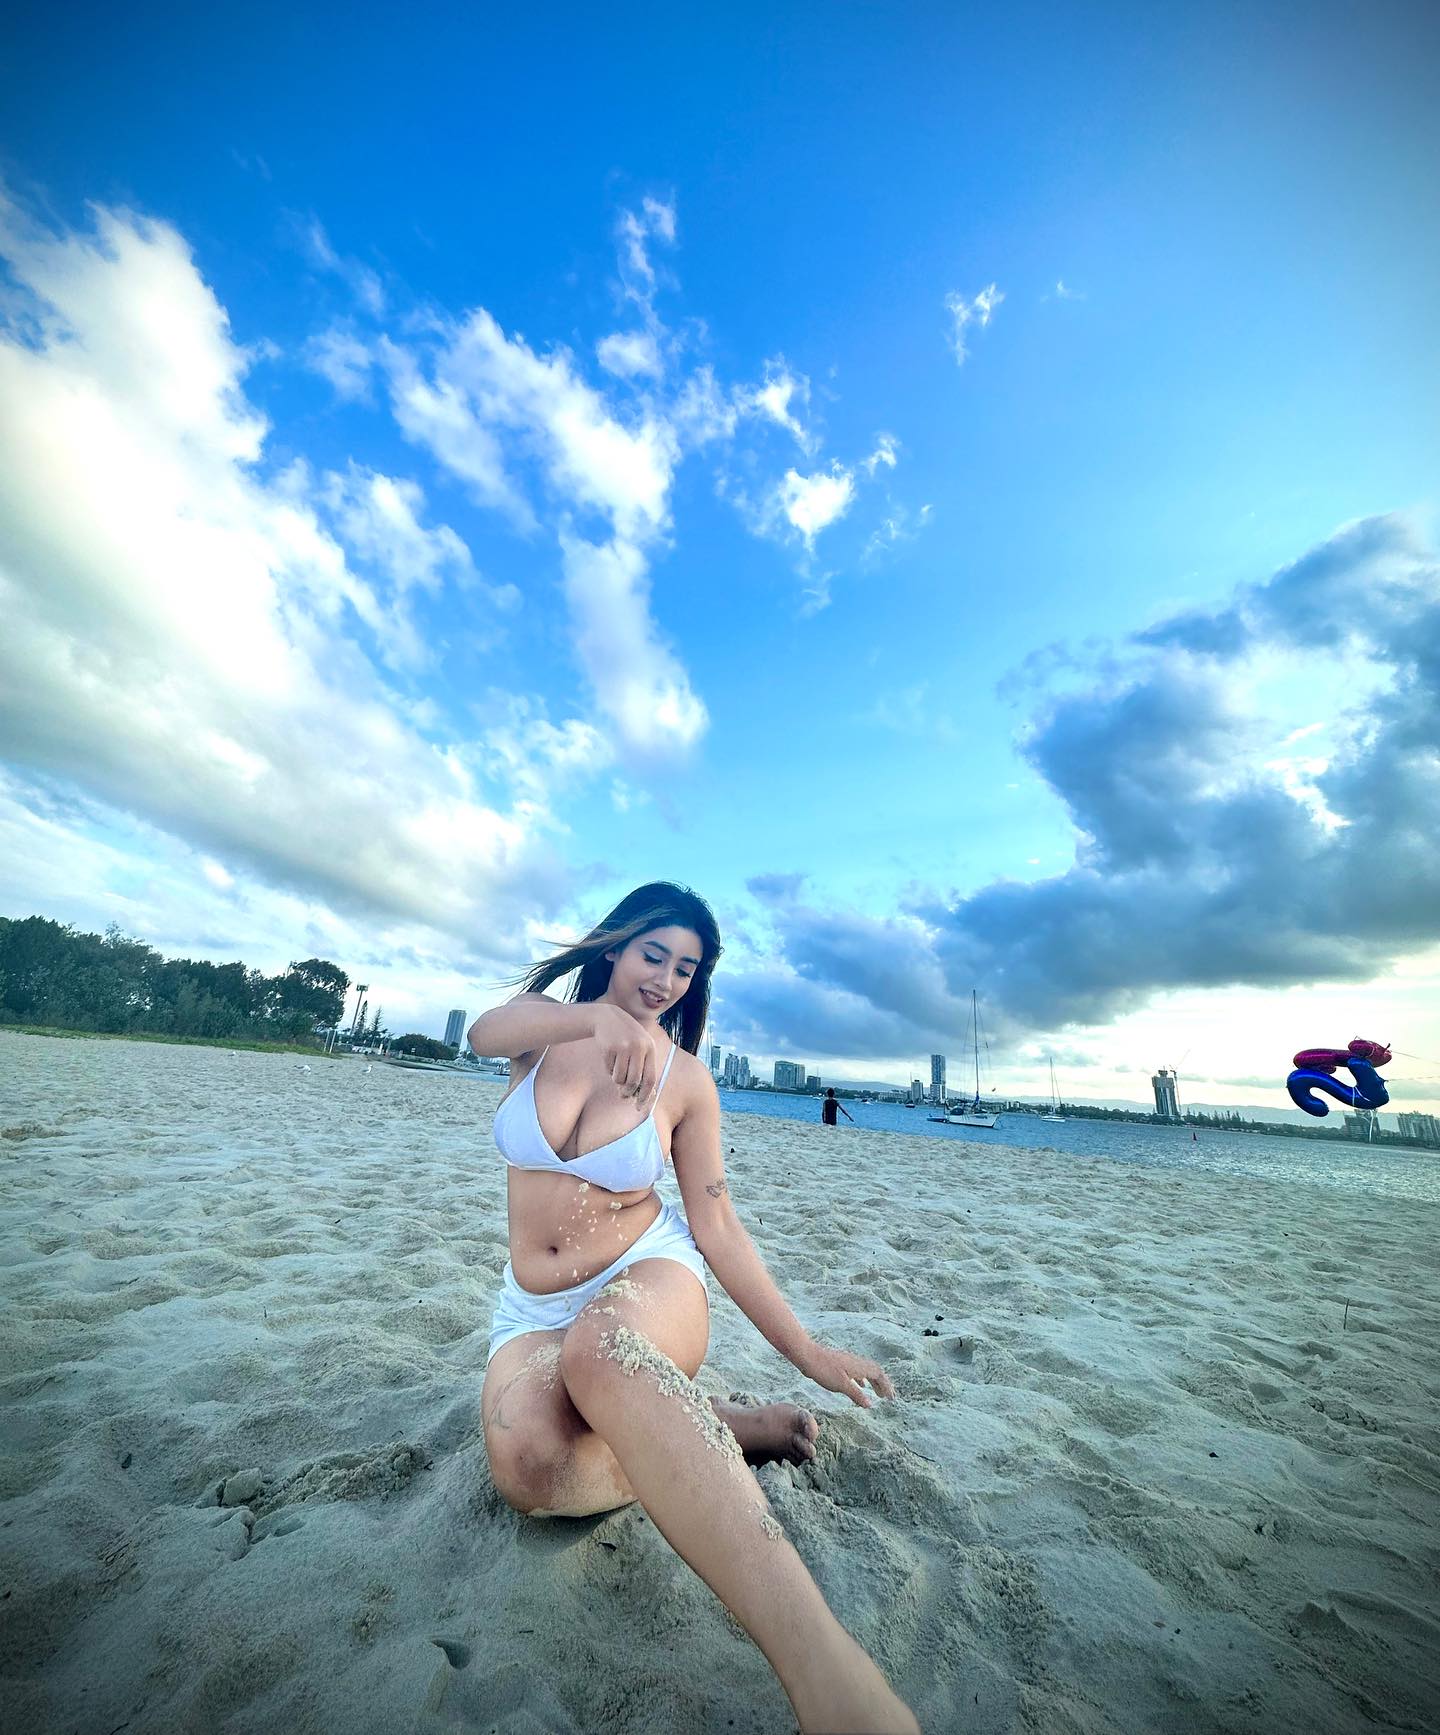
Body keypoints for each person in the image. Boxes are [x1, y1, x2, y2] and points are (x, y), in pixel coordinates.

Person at [472, 882, 921, 1735]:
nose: (667, 978)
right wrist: (592, 1021)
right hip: (534, 1307)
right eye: (655, 954)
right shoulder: (540, 1030)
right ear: (615, 946)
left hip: (648, 1277)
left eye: (687, 968)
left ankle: (829, 1673)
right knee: (530, 1467)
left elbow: (716, 1224)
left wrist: (809, 1351)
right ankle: (712, 1425)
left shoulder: (685, 1080)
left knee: (602, 1354)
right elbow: (481, 1031)